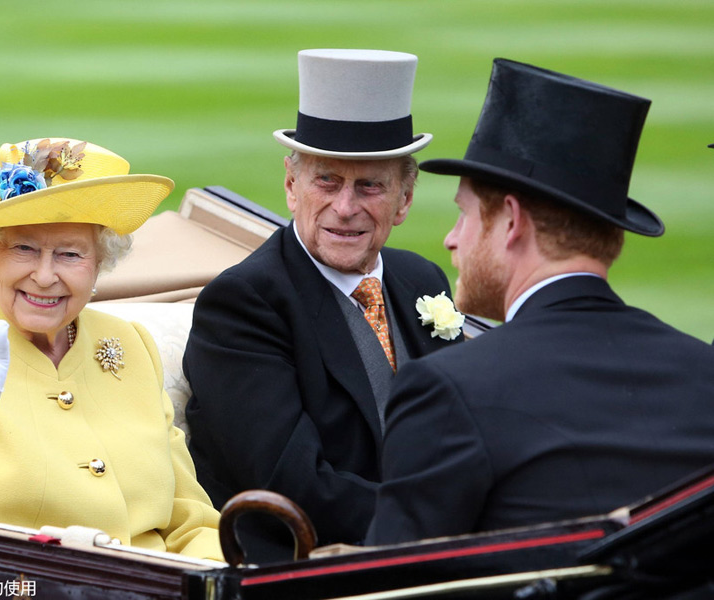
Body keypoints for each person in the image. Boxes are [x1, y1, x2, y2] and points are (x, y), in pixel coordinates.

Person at [368, 59, 714, 545]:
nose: (452, 239)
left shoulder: (447, 390)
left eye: (464, 215)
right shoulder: (705, 372)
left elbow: (386, 584)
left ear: (512, 222)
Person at [183, 49, 463, 562]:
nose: (345, 207)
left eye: (370, 186)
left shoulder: (421, 278)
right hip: (306, 567)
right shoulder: (243, 304)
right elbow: (293, 484)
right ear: (292, 187)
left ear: (403, 199)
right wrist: (439, 522)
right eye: (327, 181)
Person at [0, 138, 222, 560]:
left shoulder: (130, 343)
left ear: (100, 263)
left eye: (69, 254)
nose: (44, 276)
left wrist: (227, 582)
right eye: (23, 248)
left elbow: (188, 518)